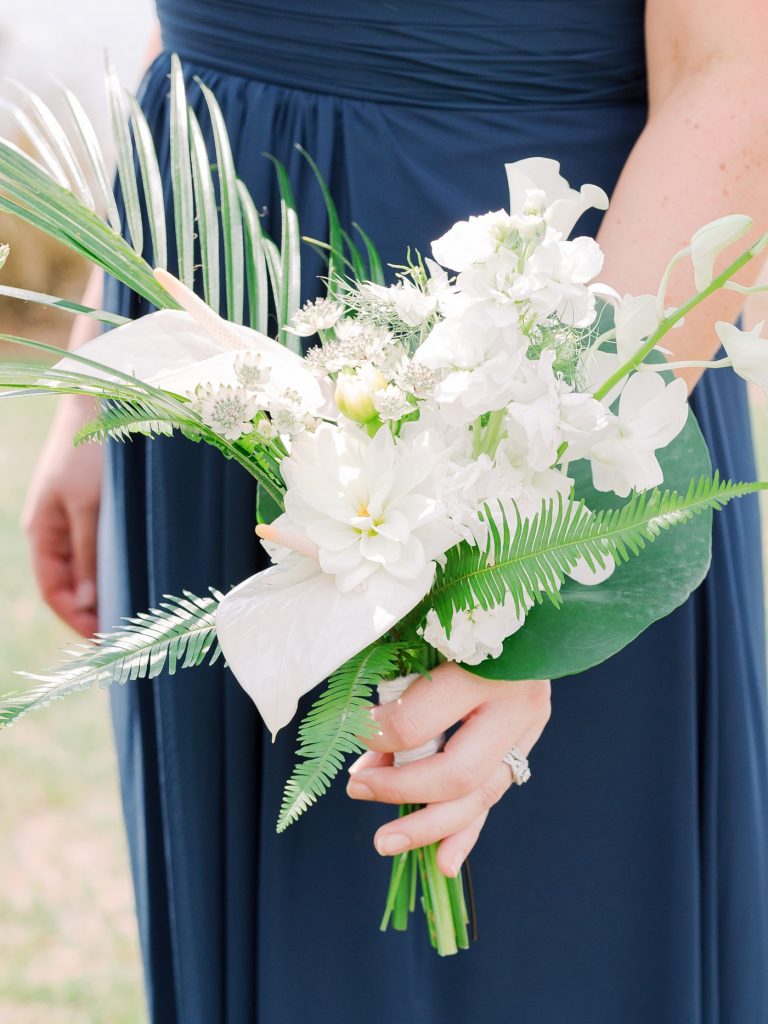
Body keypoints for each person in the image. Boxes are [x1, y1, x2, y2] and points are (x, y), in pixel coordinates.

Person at [21, 1, 768, 1021]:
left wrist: (539, 561)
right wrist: (99, 383)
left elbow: (731, 75)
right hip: (204, 310)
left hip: (527, 334)